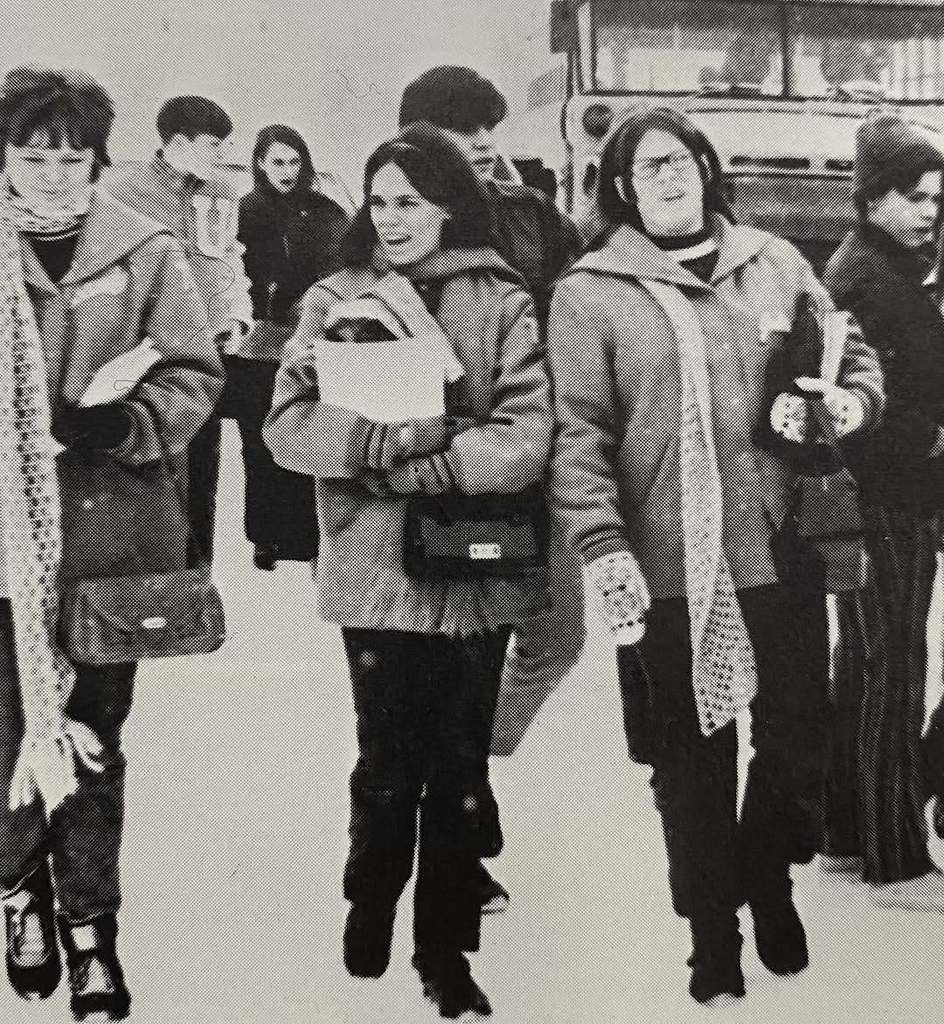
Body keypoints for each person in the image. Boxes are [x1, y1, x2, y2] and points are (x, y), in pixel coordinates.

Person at [549, 106, 883, 1004]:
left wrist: (847, 405)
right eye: (645, 167)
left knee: (798, 740)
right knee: (692, 760)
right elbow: (578, 432)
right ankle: (712, 929)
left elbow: (852, 358)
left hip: (783, 545)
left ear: (706, 168)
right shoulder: (590, 291)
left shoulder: (774, 262)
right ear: (620, 188)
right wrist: (600, 538)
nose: (667, 178)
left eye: (681, 160)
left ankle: (765, 877)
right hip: (665, 564)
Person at [263, 122, 553, 1018]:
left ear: (450, 206)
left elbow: (527, 434)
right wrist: (378, 440)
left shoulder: (503, 300)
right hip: (376, 566)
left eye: (411, 203)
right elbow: (286, 425)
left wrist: (420, 462)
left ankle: (446, 951)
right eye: (380, 201)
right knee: (386, 754)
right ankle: (371, 896)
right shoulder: (332, 296)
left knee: (462, 765)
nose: (391, 219)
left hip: (473, 563)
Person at [0, 67, 222, 1020]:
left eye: (73, 157)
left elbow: (193, 376)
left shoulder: (147, 253)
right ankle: (19, 895)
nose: (54, 175)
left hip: (106, 545)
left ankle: (91, 923)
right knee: (3, 735)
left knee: (92, 739)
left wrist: (118, 423)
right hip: (2, 549)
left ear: (99, 159)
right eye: (33, 155)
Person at [399, 64, 583, 912]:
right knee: (457, 663)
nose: (481, 143)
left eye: (487, 127)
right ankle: (462, 813)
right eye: (460, 129)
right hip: (444, 480)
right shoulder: (397, 232)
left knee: (556, 636)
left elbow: (587, 299)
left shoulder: (536, 217)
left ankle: (465, 763)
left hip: (538, 461)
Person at [823, 113, 944, 908]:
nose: (930, 209)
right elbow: (872, 405)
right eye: (913, 196)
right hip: (888, 504)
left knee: (865, 666)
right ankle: (895, 856)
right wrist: (933, 436)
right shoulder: (871, 281)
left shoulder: (884, 266)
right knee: (890, 669)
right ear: (870, 199)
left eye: (937, 196)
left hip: (884, 502)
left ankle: (844, 831)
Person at [103, 94, 251, 562]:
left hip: (203, 356)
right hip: (142, 362)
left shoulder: (217, 195)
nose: (219, 157)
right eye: (212, 145)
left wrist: (236, 312)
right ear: (178, 142)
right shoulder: (121, 189)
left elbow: (228, 262)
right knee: (151, 477)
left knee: (204, 465)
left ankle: (195, 576)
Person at [233, 124, 350, 570]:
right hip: (258, 342)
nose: (285, 171)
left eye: (293, 161)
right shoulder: (245, 211)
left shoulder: (323, 210)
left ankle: (309, 536)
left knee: (308, 434)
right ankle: (265, 536)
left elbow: (340, 265)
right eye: (275, 161)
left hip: (312, 337)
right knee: (258, 443)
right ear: (260, 163)